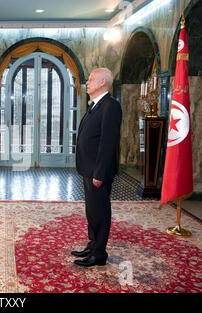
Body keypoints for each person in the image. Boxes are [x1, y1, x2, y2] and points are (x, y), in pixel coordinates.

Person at [72, 68, 122, 267]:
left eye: (91, 79)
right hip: (89, 168)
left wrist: (100, 173)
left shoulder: (111, 106)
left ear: (103, 82)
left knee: (100, 211)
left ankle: (99, 253)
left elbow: (108, 143)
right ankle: (93, 244)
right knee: (92, 210)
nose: (88, 82)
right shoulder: (96, 105)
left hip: (98, 171)